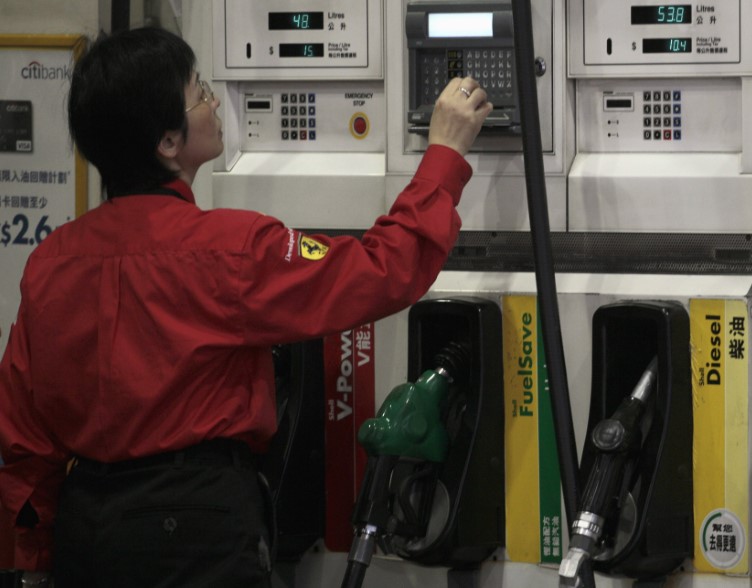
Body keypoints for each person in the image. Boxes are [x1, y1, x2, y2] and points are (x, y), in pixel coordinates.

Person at [0, 27, 492, 588]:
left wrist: (32, 561)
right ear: (167, 142)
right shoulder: (230, 250)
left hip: (87, 531)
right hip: (198, 532)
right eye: (201, 91)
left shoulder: (50, 264)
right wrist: (445, 156)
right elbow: (381, 271)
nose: (213, 101)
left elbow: (24, 438)